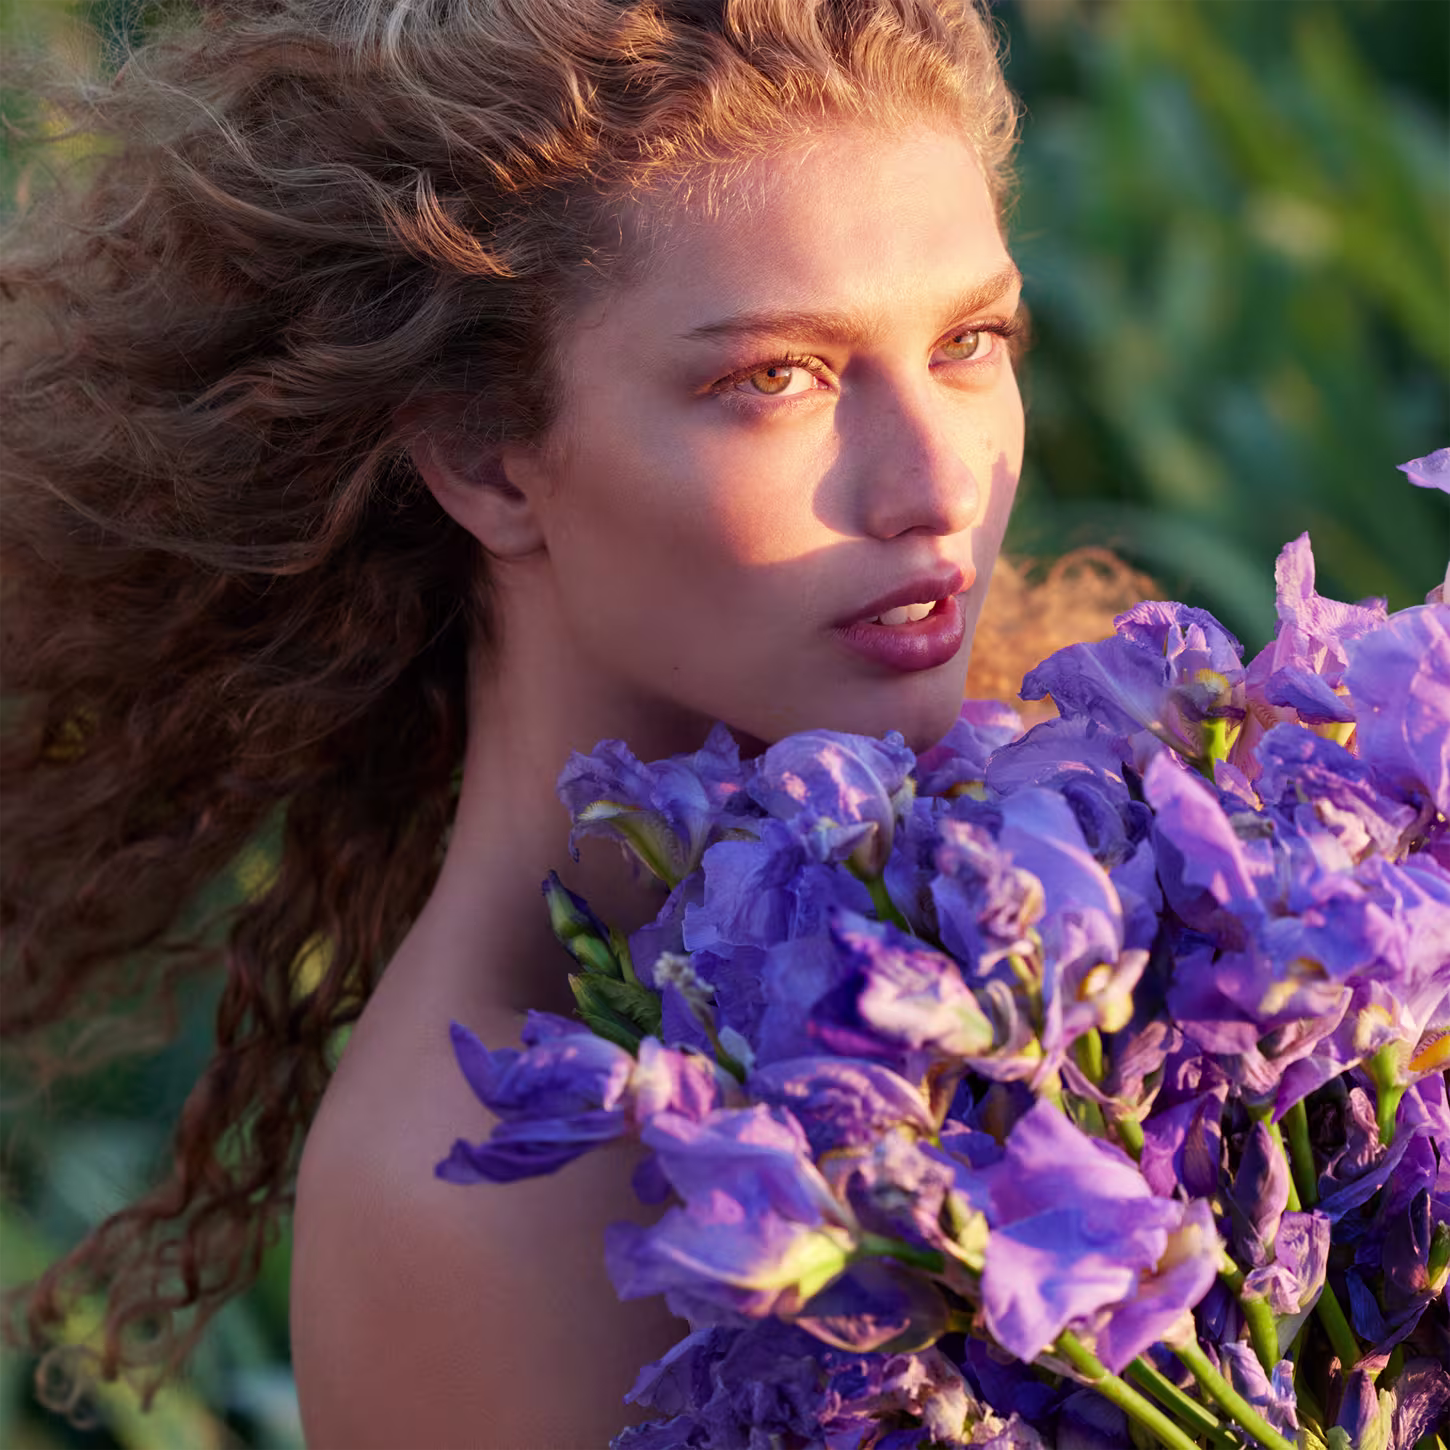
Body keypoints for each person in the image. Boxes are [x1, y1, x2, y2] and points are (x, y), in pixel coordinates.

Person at [0, 1, 1146, 1444]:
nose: (939, 485)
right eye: (774, 377)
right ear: (485, 458)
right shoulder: (484, 1192)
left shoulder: (1088, 861)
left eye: (969, 340)